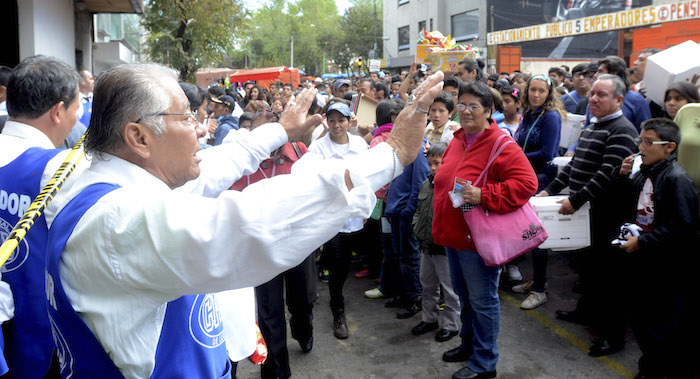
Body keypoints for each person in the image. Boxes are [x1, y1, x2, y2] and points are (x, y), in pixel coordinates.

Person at [43, 63, 445, 377]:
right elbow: (250, 224)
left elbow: (218, 166)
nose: (202, 130)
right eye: (186, 118)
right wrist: (388, 155)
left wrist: (280, 130)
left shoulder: (114, 180)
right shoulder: (118, 219)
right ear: (139, 138)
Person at [433, 81, 538, 379]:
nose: (465, 111)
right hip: (454, 237)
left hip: (479, 241)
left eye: (473, 106)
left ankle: (484, 363)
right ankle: (469, 346)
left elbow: (528, 184)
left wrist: (485, 195)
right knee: (465, 298)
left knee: (483, 301)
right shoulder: (457, 138)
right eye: (462, 105)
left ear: (489, 110)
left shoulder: (499, 142)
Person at [542, 74, 639, 357]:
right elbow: (574, 166)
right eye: (593, 94)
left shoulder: (622, 129)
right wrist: (550, 190)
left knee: (609, 276)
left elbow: (606, 173)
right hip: (584, 213)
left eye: (602, 95)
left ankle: (613, 336)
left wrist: (576, 199)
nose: (593, 99)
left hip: (605, 214)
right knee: (588, 270)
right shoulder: (594, 125)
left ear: (619, 100)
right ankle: (587, 313)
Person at [0, 55, 84, 378]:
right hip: (37, 340)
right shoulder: (61, 168)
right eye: (76, 110)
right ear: (58, 111)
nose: (77, 121)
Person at [229, 118, 315, 379]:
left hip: (298, 242)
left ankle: (303, 331)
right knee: (269, 310)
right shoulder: (244, 162)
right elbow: (232, 199)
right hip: (262, 248)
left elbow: (316, 190)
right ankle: (276, 369)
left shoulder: (299, 153)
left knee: (302, 300)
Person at [614, 118, 697, 379]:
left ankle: (656, 370)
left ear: (669, 147)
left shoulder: (677, 180)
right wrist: (624, 177)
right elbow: (631, 205)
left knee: (661, 324)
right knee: (642, 319)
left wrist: (644, 241)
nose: (641, 147)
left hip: (665, 266)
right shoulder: (644, 172)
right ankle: (649, 367)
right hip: (643, 260)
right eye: (641, 141)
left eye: (649, 142)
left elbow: (683, 227)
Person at [303, 102, 368, 339]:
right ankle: (337, 310)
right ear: (326, 122)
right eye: (332, 120)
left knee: (345, 262)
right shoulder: (319, 148)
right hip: (331, 218)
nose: (337, 125)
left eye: (341, 120)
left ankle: (332, 291)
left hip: (355, 217)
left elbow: (367, 176)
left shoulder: (360, 145)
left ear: (350, 121)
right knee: (338, 263)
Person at [511, 74, 564, 310]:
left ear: (549, 93)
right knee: (528, 235)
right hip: (525, 177)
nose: (536, 94)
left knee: (537, 234)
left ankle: (540, 289)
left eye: (541, 91)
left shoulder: (551, 116)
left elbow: (547, 153)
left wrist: (515, 156)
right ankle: (536, 280)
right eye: (533, 89)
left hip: (541, 180)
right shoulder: (530, 114)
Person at [410, 142, 460, 343]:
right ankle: (429, 319)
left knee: (450, 290)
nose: (432, 168)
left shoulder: (455, 186)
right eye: (430, 163)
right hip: (427, 246)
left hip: (445, 248)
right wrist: (417, 227)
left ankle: (450, 325)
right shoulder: (425, 184)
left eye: (437, 163)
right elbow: (419, 211)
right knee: (427, 285)